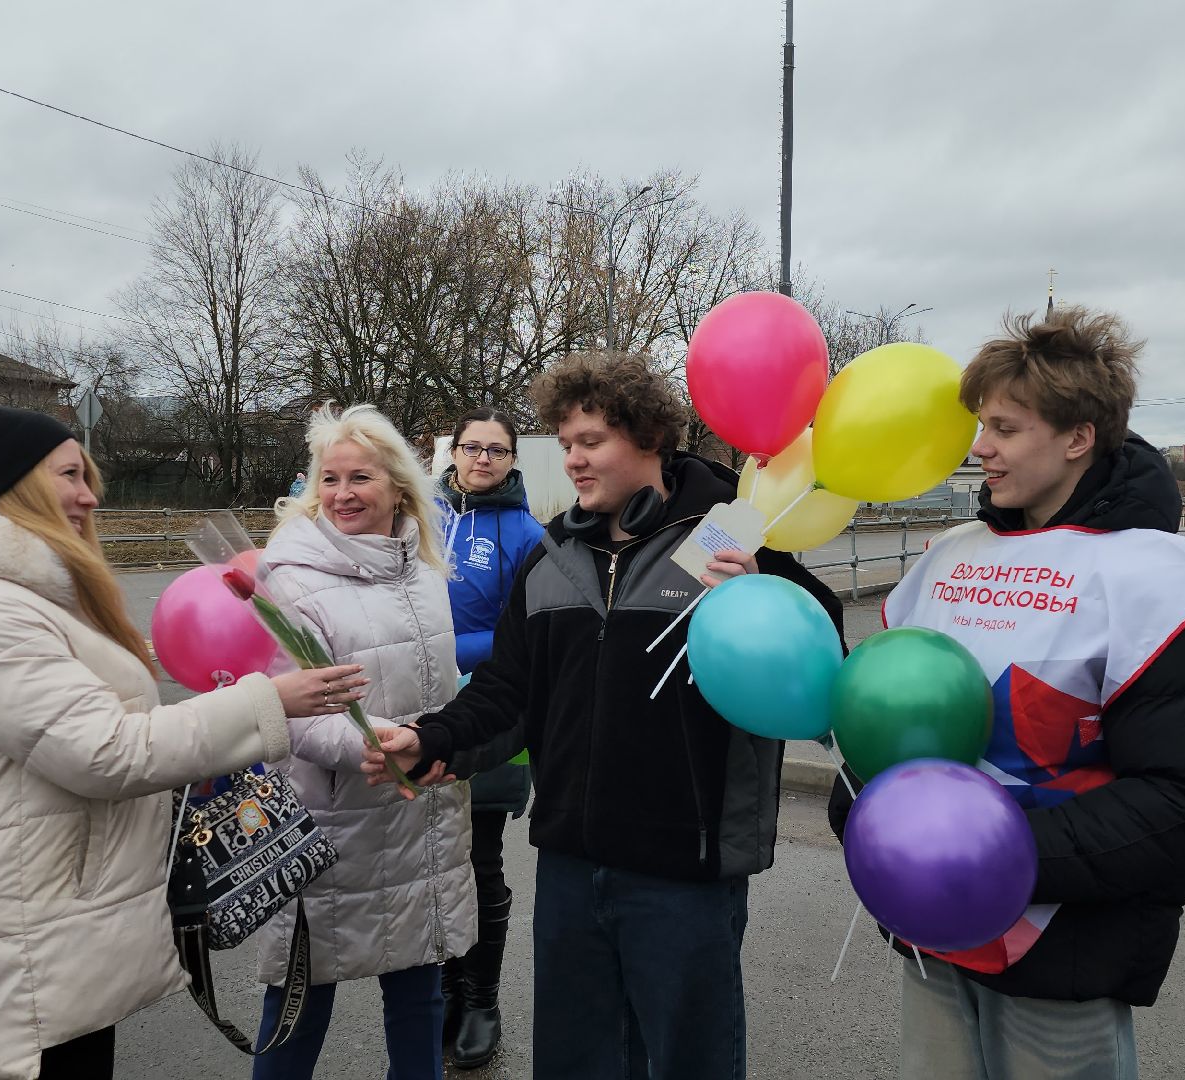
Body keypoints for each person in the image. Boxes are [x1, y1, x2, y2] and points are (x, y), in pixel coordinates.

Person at [365, 352, 842, 1080]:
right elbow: (508, 694)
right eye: (565, 444)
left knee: (691, 1063)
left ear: (650, 437)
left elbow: (822, 660)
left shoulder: (736, 540)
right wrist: (430, 739)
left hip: (686, 869)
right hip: (569, 863)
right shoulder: (550, 559)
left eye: (591, 442)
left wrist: (764, 599)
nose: (573, 460)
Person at [828, 308, 1185, 1079]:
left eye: (1005, 427)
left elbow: (1177, 797)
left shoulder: (1165, 585)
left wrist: (991, 861)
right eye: (981, 425)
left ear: (1078, 437)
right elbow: (887, 714)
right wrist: (861, 806)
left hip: (1062, 947)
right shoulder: (948, 558)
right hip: (932, 931)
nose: (980, 448)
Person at [0, 396, 349, 1080]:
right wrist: (267, 702)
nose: (89, 496)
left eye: (88, 478)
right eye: (69, 476)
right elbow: (106, 753)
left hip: (51, 919)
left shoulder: (18, 599)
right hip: (26, 935)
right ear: (15, 487)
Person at [248, 402, 475, 1080]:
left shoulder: (427, 571)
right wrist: (374, 742)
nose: (343, 495)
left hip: (419, 815)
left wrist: (443, 746)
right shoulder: (288, 576)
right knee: (298, 1002)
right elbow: (284, 711)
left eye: (361, 479)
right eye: (330, 479)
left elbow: (444, 689)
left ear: (399, 486)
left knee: (418, 998)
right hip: (330, 825)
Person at [432, 407, 544, 1069]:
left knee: (478, 859)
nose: (482, 459)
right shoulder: (423, 516)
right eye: (471, 447)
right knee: (430, 860)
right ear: (453, 453)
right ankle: (445, 988)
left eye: (495, 451)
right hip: (422, 709)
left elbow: (522, 632)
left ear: (511, 460)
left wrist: (446, 647)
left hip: (493, 710)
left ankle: (482, 1000)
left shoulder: (527, 534)